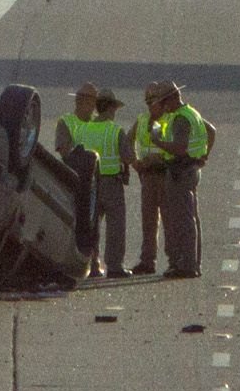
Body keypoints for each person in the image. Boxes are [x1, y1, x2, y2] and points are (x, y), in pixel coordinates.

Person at [142, 79, 214, 280]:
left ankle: (187, 264)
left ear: (173, 98)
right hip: (191, 168)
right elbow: (211, 131)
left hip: (180, 171)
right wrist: (203, 154)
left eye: (165, 102)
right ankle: (191, 262)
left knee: (182, 219)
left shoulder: (181, 119)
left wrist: (158, 141)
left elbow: (179, 148)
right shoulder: (192, 113)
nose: (164, 107)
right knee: (191, 218)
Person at [62, 83, 131, 277]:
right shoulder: (115, 130)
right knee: (115, 226)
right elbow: (128, 157)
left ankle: (92, 265)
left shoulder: (84, 129)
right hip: (112, 183)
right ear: (110, 108)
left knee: (91, 225)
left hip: (90, 183)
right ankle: (115, 266)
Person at [131, 90, 170, 275]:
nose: (149, 104)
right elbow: (126, 142)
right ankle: (147, 261)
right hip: (147, 176)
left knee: (170, 220)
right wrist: (135, 162)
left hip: (165, 174)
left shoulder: (170, 119)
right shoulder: (142, 120)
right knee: (148, 221)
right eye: (146, 100)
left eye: (152, 100)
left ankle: (174, 260)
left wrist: (157, 159)